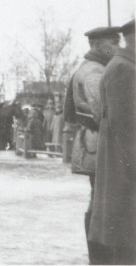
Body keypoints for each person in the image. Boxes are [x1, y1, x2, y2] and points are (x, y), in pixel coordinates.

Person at [64, 25, 121, 264]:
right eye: (112, 44)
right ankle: (100, 255)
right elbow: (105, 110)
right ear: (96, 45)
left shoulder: (95, 68)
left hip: (96, 144)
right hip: (99, 144)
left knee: (99, 199)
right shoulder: (93, 72)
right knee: (101, 201)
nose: (118, 48)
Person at [88, 19, 136, 264]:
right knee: (127, 238)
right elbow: (124, 126)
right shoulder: (123, 68)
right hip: (126, 168)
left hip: (124, 166)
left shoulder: (127, 65)